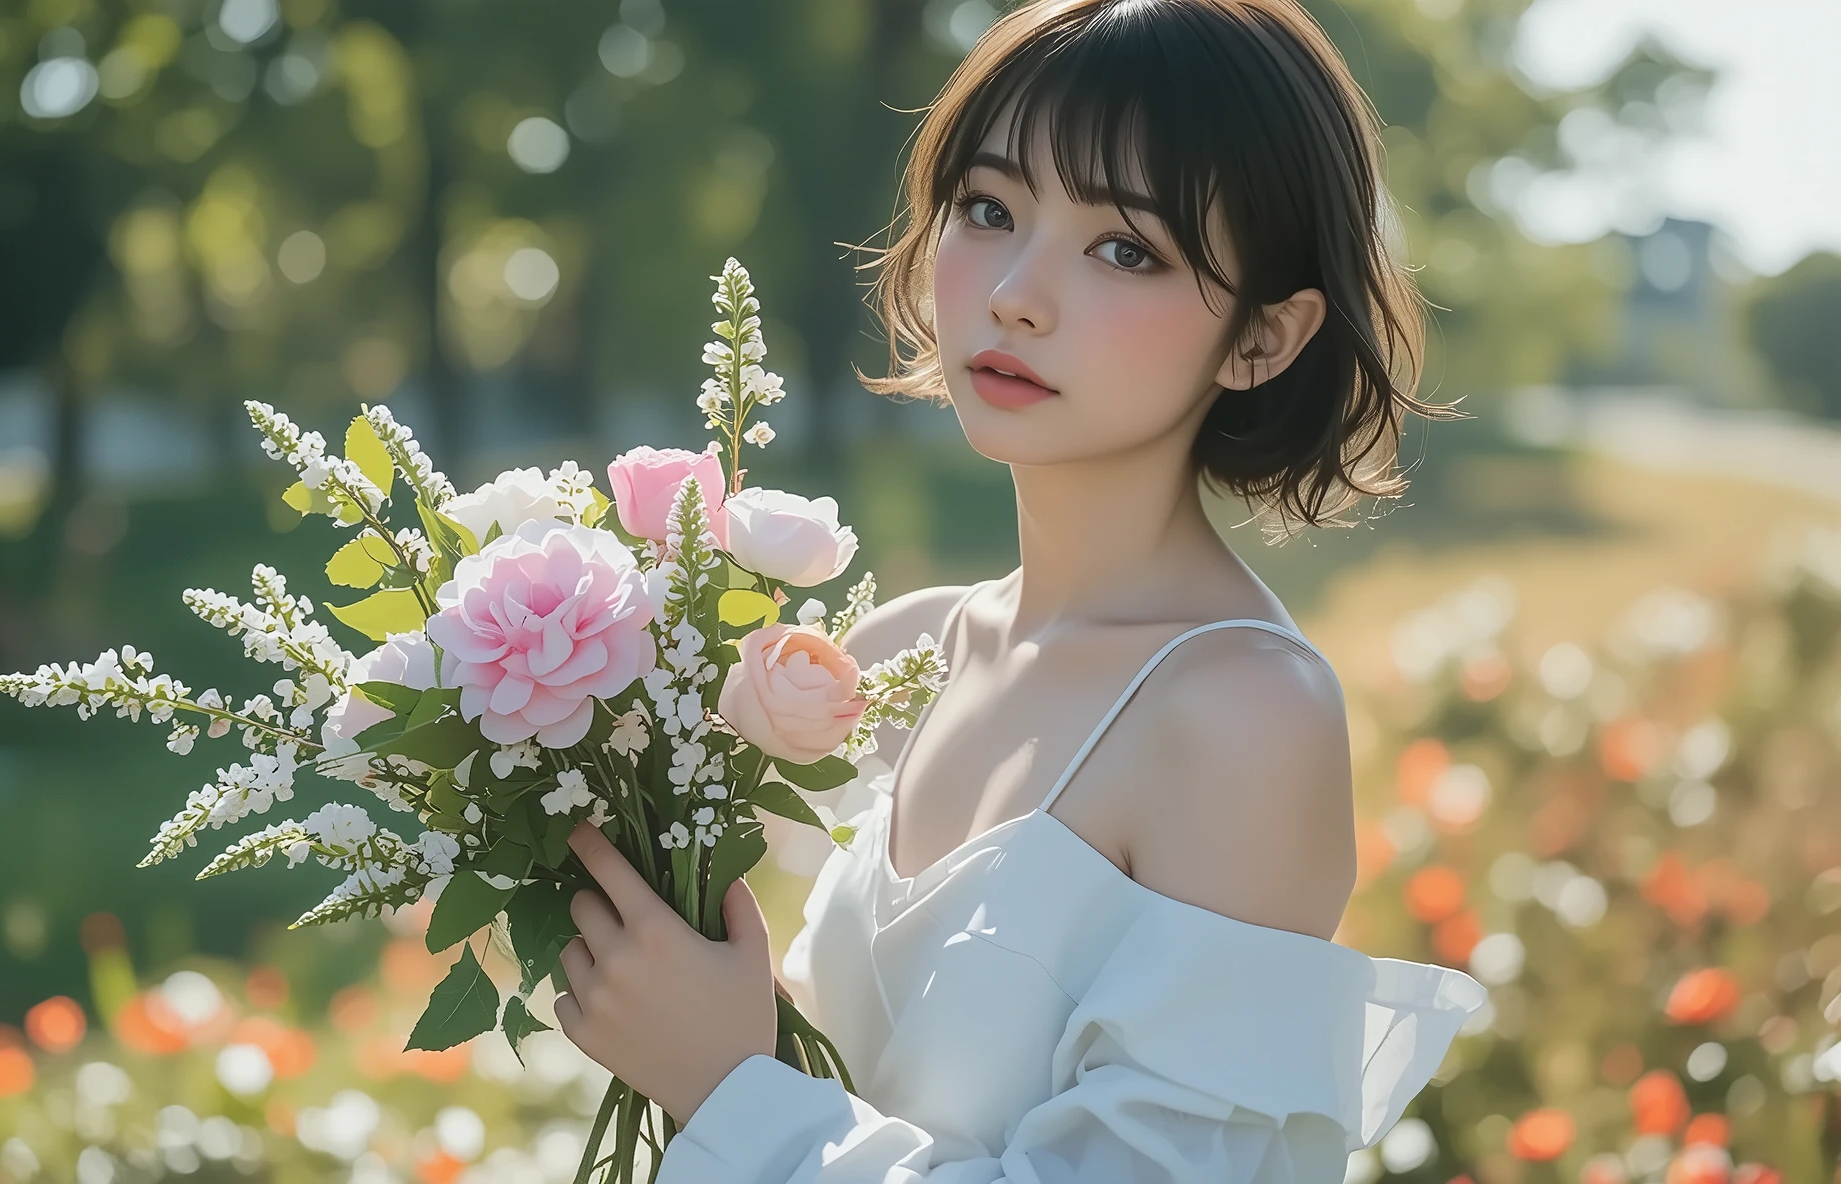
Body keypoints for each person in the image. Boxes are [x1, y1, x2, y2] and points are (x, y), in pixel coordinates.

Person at [552, 0, 1489, 1178]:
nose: (1014, 293)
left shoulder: (1243, 712)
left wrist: (728, 1090)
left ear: (1263, 335)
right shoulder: (894, 654)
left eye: (1124, 249)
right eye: (989, 209)